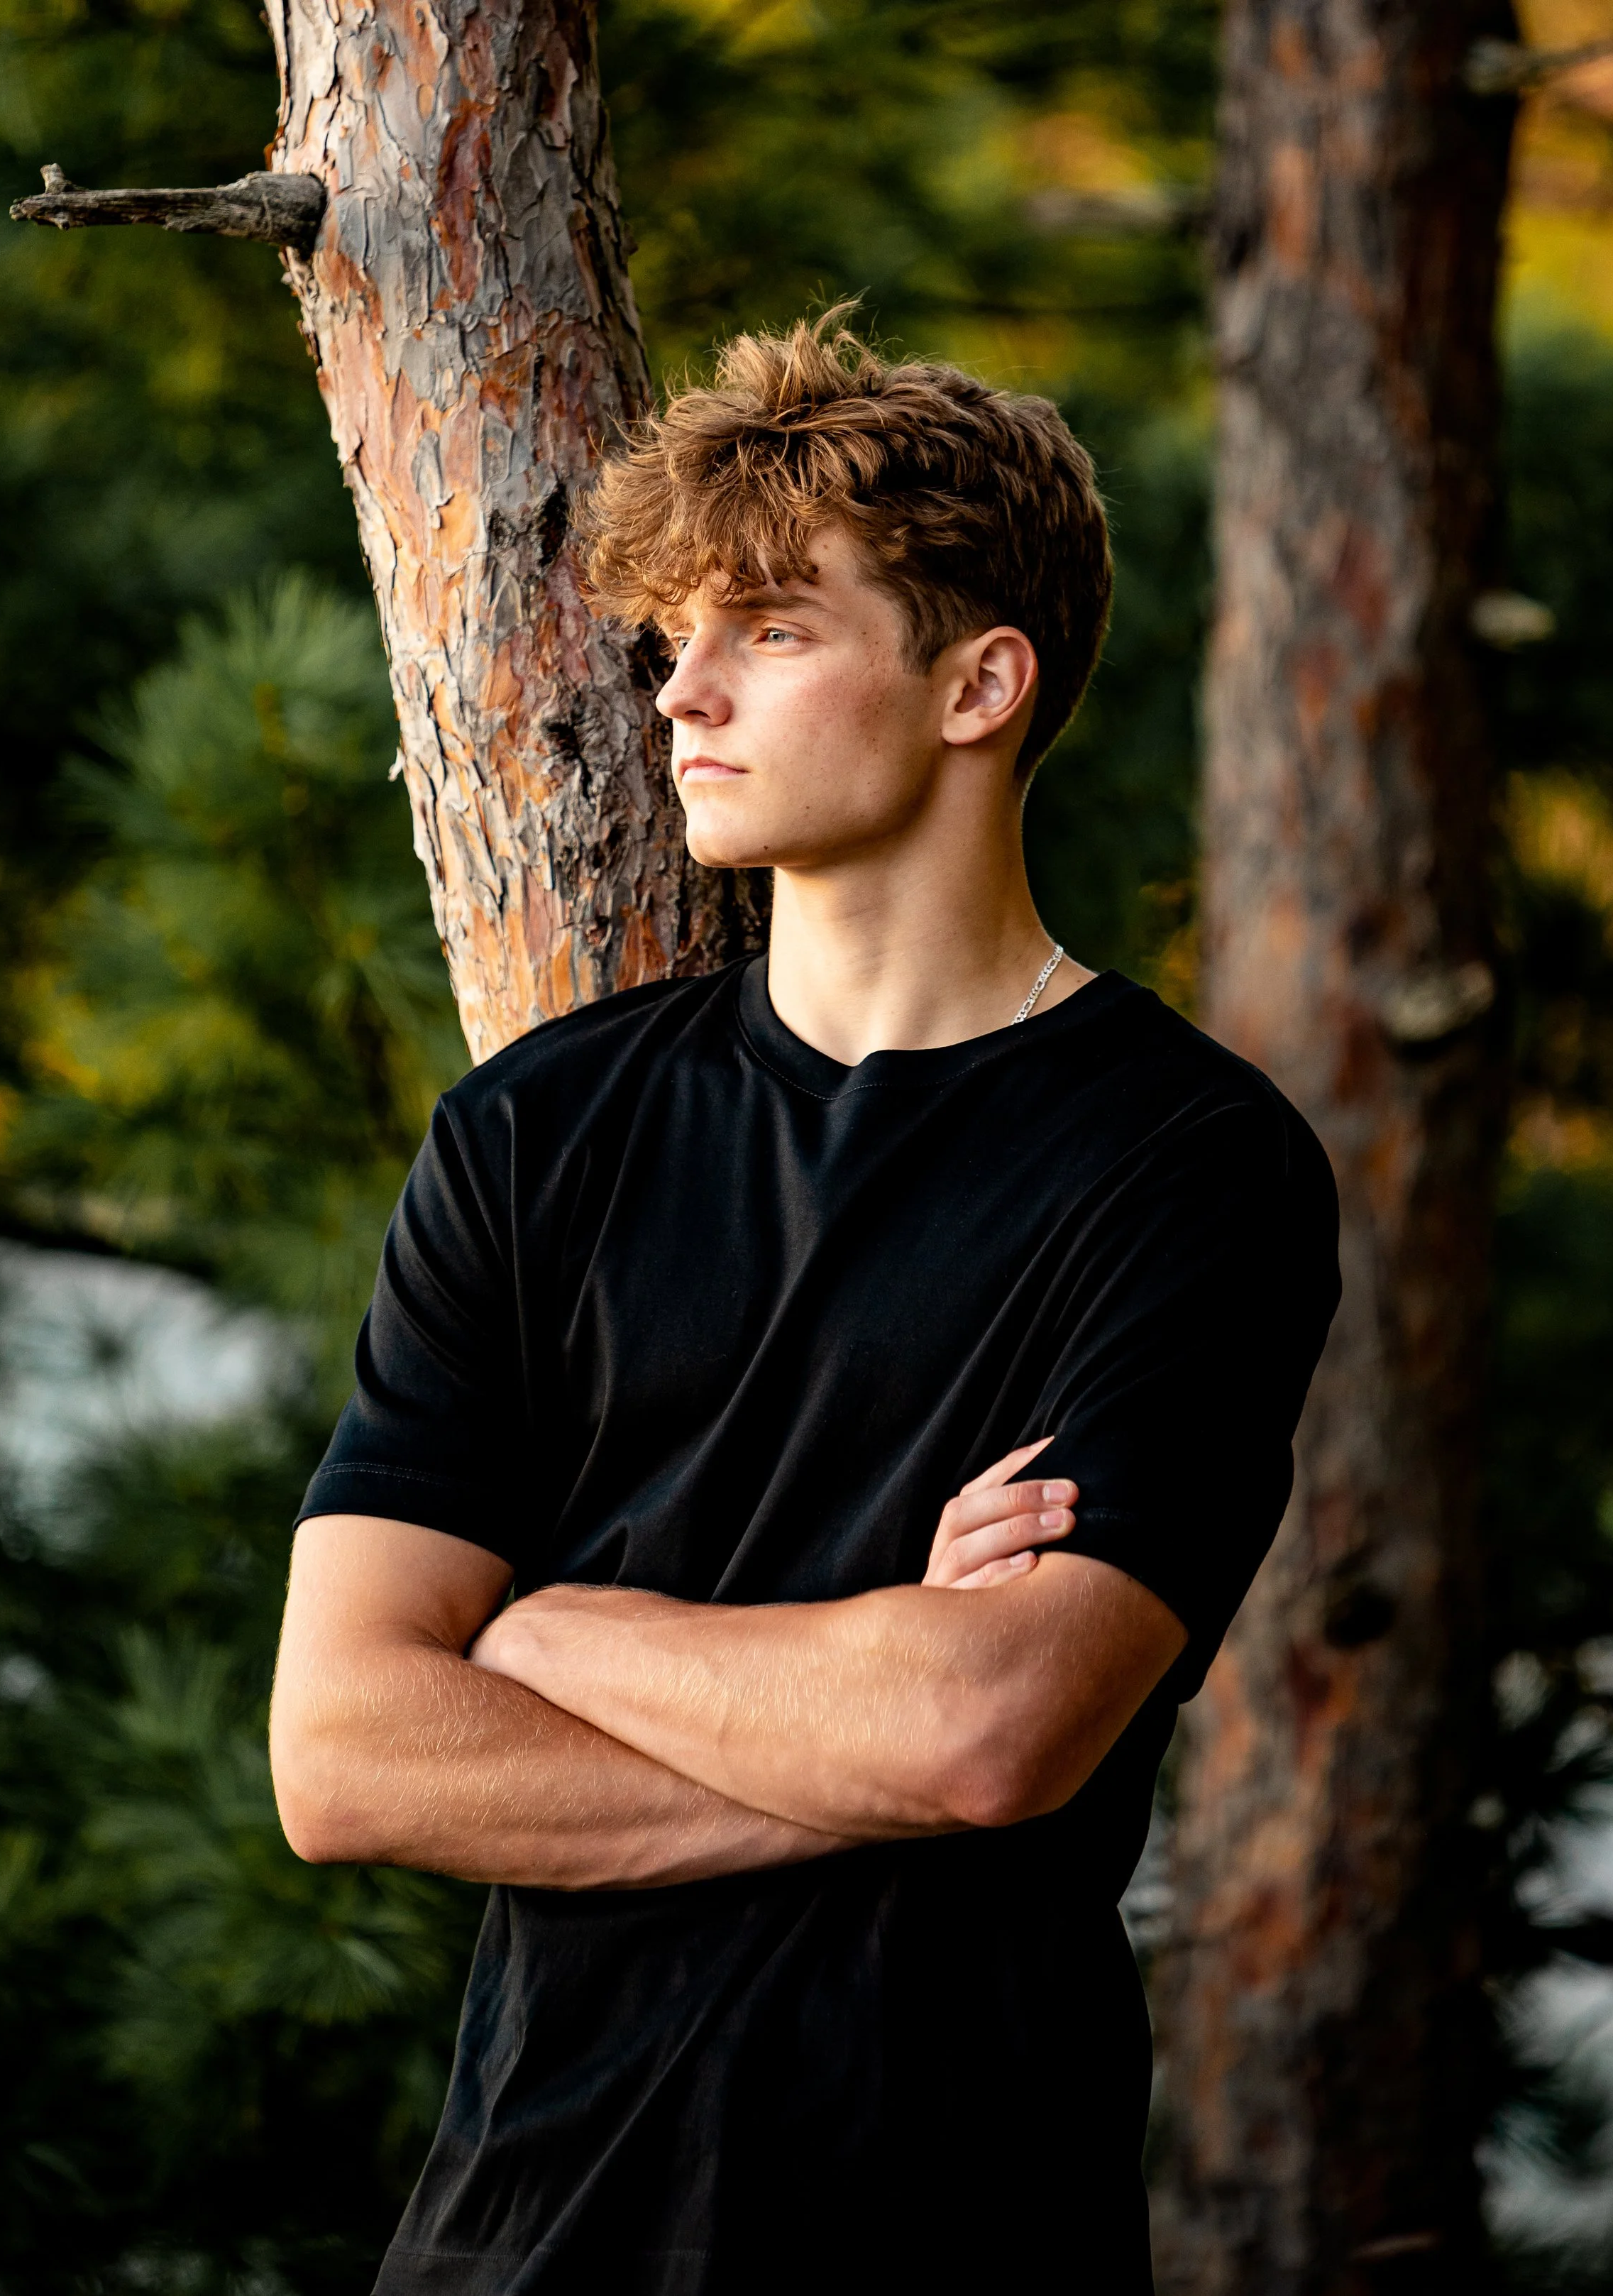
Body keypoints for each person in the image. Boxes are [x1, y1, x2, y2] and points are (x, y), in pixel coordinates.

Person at [268, 314, 1340, 2295]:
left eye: (766, 628)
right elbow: (342, 1755)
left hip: (941, 2226)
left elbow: (984, 1733)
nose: (680, 695)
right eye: (673, 636)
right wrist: (848, 1718)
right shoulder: (536, 1135)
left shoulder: (1186, 1164)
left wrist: (544, 1623)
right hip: (515, 2239)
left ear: (976, 685)